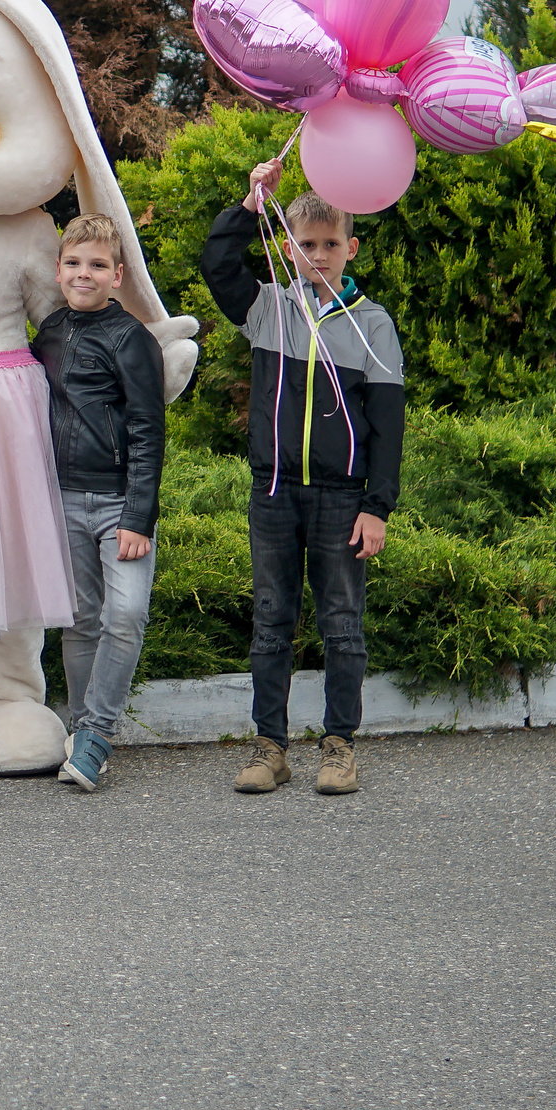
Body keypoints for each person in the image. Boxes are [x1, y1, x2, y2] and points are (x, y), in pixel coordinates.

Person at [199, 162, 404, 797]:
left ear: (351, 248)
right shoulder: (268, 312)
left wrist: (378, 506)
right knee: (270, 620)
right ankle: (270, 747)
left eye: (331, 244)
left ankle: (339, 747)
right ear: (288, 247)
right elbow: (217, 264)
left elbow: (389, 426)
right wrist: (252, 202)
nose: (318, 256)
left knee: (342, 622)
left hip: (343, 498)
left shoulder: (373, 325)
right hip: (274, 493)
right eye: (307, 244)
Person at [30, 213, 169, 794]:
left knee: (126, 615)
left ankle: (96, 733)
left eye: (96, 265)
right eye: (72, 263)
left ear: (117, 276)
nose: (82, 274)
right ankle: (82, 730)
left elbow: (147, 430)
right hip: (62, 498)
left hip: (117, 505)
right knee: (82, 619)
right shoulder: (51, 333)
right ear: (59, 270)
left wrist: (138, 517)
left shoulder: (131, 339)